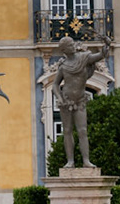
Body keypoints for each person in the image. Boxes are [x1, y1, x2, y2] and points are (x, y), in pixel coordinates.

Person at [40, 38, 109, 169]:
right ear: (64, 50)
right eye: (70, 45)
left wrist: (107, 45)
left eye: (72, 44)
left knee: (82, 130)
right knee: (67, 130)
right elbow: (55, 85)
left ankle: (86, 161)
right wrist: (59, 98)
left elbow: (100, 56)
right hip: (66, 101)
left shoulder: (84, 58)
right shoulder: (63, 66)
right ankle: (70, 161)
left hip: (80, 99)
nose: (73, 46)